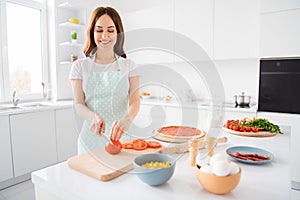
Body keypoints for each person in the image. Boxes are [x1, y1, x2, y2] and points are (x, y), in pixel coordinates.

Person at [69, 7, 140, 154]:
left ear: (118, 33)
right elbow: (78, 103)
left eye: (110, 30)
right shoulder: (80, 66)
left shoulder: (129, 66)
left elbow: (135, 100)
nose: (105, 35)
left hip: (122, 138)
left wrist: (127, 119)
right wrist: (91, 117)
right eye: (99, 30)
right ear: (92, 32)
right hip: (90, 139)